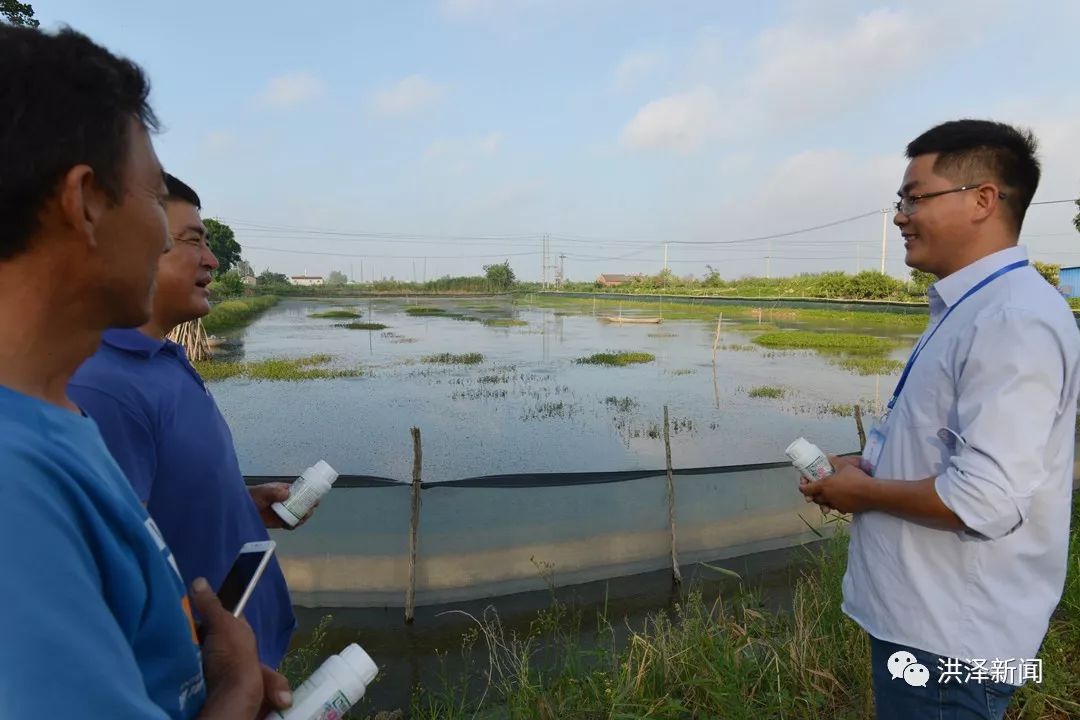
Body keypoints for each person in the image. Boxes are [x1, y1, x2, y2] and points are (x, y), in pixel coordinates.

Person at [0, 25, 290, 718]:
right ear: (86, 202)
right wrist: (236, 692)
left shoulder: (55, 418)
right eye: (155, 197)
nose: (170, 236)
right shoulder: (13, 483)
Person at [801, 119, 1080, 719]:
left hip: (952, 638)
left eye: (914, 198)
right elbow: (948, 446)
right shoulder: (972, 306)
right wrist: (864, 465)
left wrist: (864, 492)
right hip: (929, 625)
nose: (900, 216)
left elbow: (986, 498)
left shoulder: (1011, 319)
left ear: (983, 199)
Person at [70, 174, 304, 668]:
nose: (213, 260)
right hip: (206, 683)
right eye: (192, 241)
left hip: (242, 668)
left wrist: (239, 506)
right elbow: (112, 584)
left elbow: (153, 512)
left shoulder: (163, 361)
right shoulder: (104, 387)